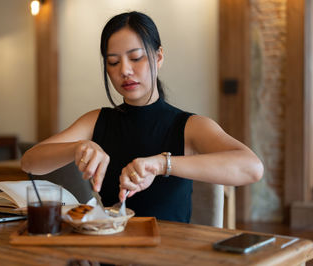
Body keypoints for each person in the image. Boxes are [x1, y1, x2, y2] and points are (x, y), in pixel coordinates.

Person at [21, 11, 264, 223]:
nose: (125, 70)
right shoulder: (97, 121)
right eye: (113, 62)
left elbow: (252, 168)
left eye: (136, 58)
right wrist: (77, 147)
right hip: (108, 251)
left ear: (158, 57)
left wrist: (161, 164)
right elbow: (30, 162)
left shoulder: (189, 126)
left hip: (170, 254)